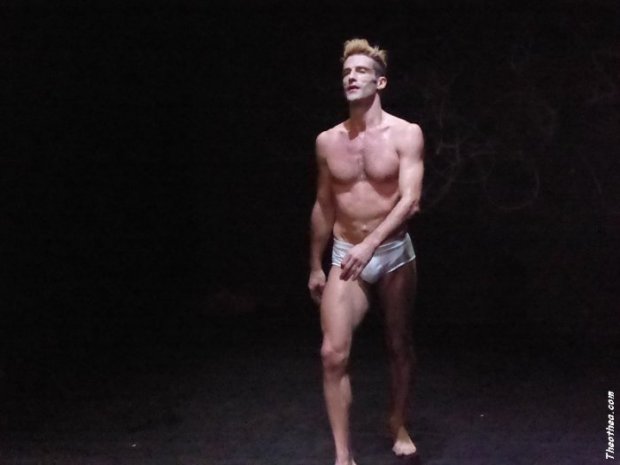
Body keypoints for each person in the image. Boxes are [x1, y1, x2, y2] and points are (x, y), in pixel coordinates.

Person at [308, 38, 424, 465]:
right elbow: (324, 204)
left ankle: (398, 421)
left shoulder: (406, 133)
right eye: (346, 72)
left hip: (392, 252)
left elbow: (410, 200)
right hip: (346, 252)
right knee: (332, 353)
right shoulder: (327, 141)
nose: (351, 77)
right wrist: (315, 264)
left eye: (360, 71)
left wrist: (371, 244)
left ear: (380, 81)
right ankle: (343, 458)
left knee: (399, 343)